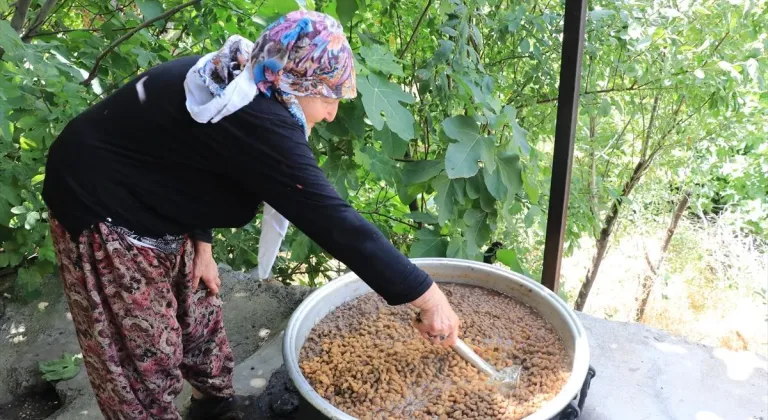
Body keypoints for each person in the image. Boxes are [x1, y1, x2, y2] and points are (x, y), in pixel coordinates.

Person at [42, 10, 461, 420]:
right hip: (100, 205)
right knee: (142, 352)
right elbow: (333, 221)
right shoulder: (254, 110)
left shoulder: (255, 80)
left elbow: (191, 154)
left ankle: (216, 406)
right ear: (299, 82)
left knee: (200, 313)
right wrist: (426, 295)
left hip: (156, 195)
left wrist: (200, 243)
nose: (333, 113)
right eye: (329, 97)